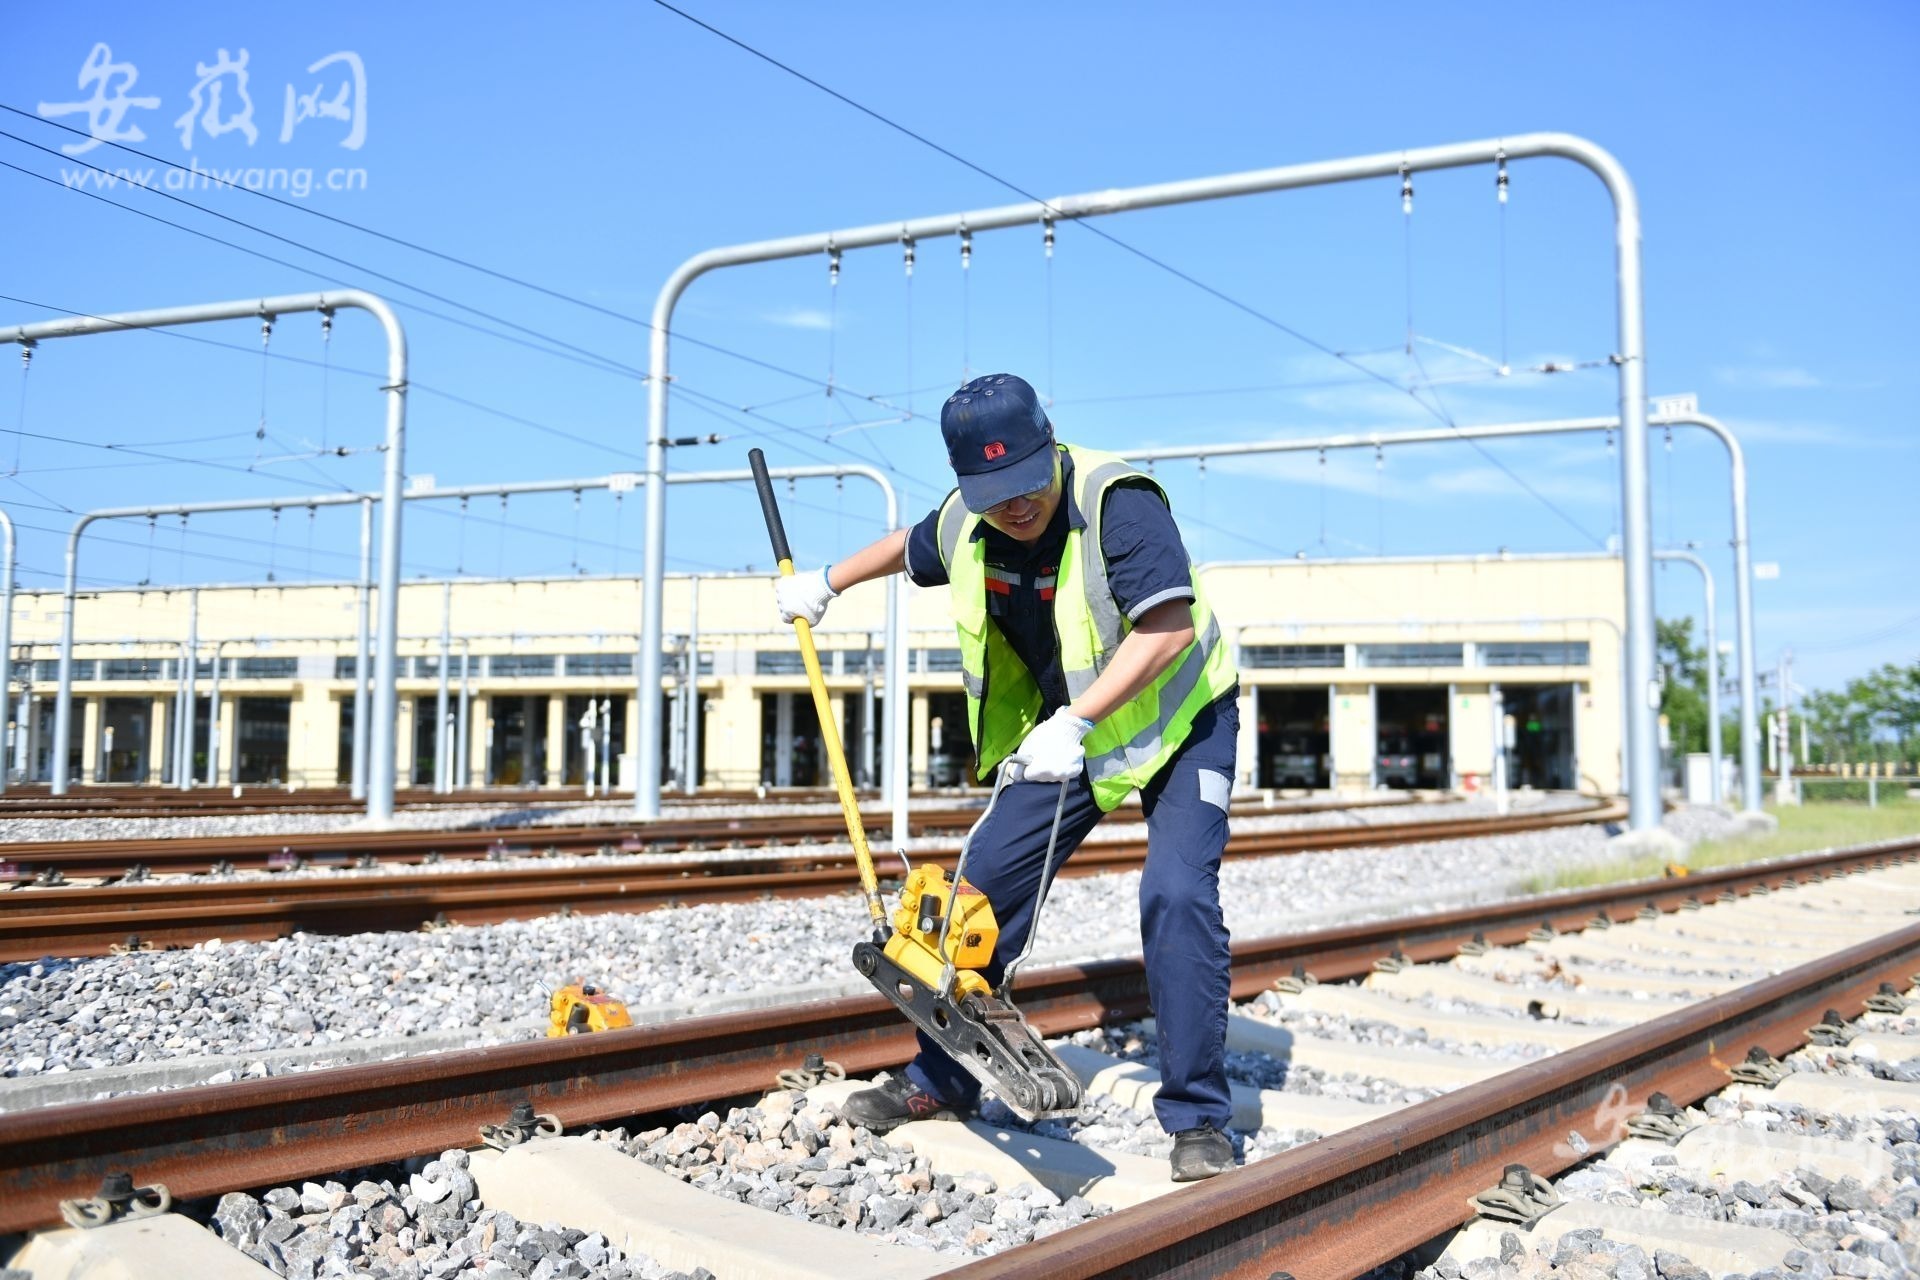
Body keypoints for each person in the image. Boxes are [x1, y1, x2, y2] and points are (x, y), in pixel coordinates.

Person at [774, 373, 1241, 1182]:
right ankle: (944, 1078)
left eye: (1027, 482)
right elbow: (910, 544)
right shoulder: (970, 518)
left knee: (1176, 895)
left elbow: (1167, 628)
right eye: (994, 493)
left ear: (1050, 443)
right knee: (974, 900)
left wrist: (1078, 721)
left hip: (1179, 722)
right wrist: (826, 583)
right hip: (1076, 734)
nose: (1015, 505)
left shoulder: (1119, 504)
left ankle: (1199, 1117)